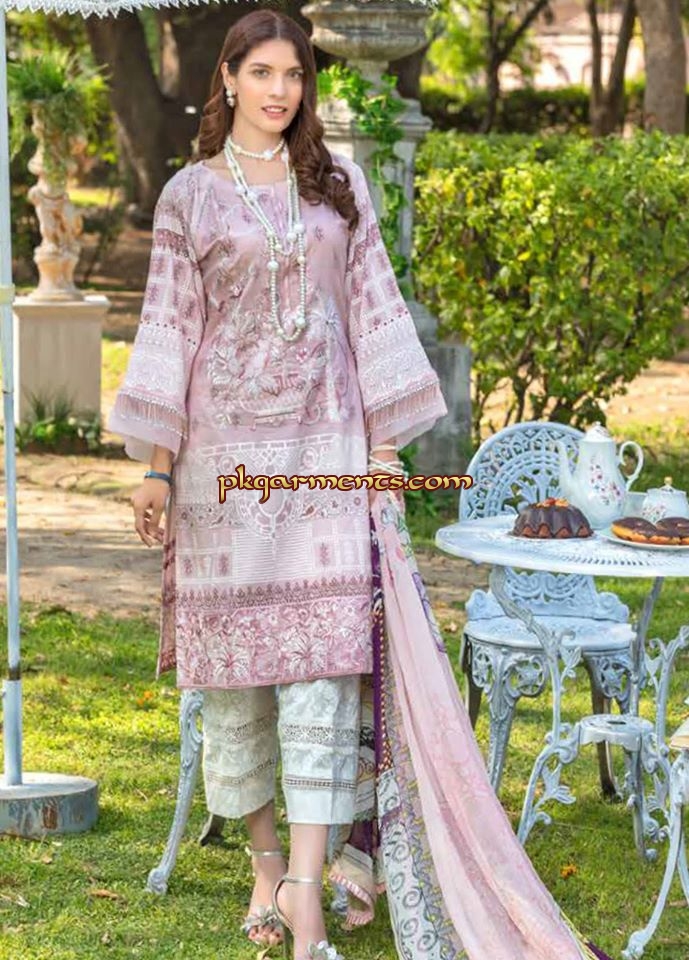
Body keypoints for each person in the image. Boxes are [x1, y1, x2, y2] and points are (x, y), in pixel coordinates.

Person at [110, 9, 612, 960]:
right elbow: (168, 329)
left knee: (322, 677)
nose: (279, 91)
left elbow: (376, 313)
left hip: (328, 457)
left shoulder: (336, 186)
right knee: (237, 686)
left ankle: (305, 892)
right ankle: (264, 867)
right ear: (228, 78)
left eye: (294, 74)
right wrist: (155, 467)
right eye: (262, 72)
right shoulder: (188, 197)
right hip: (222, 475)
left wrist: (383, 449)